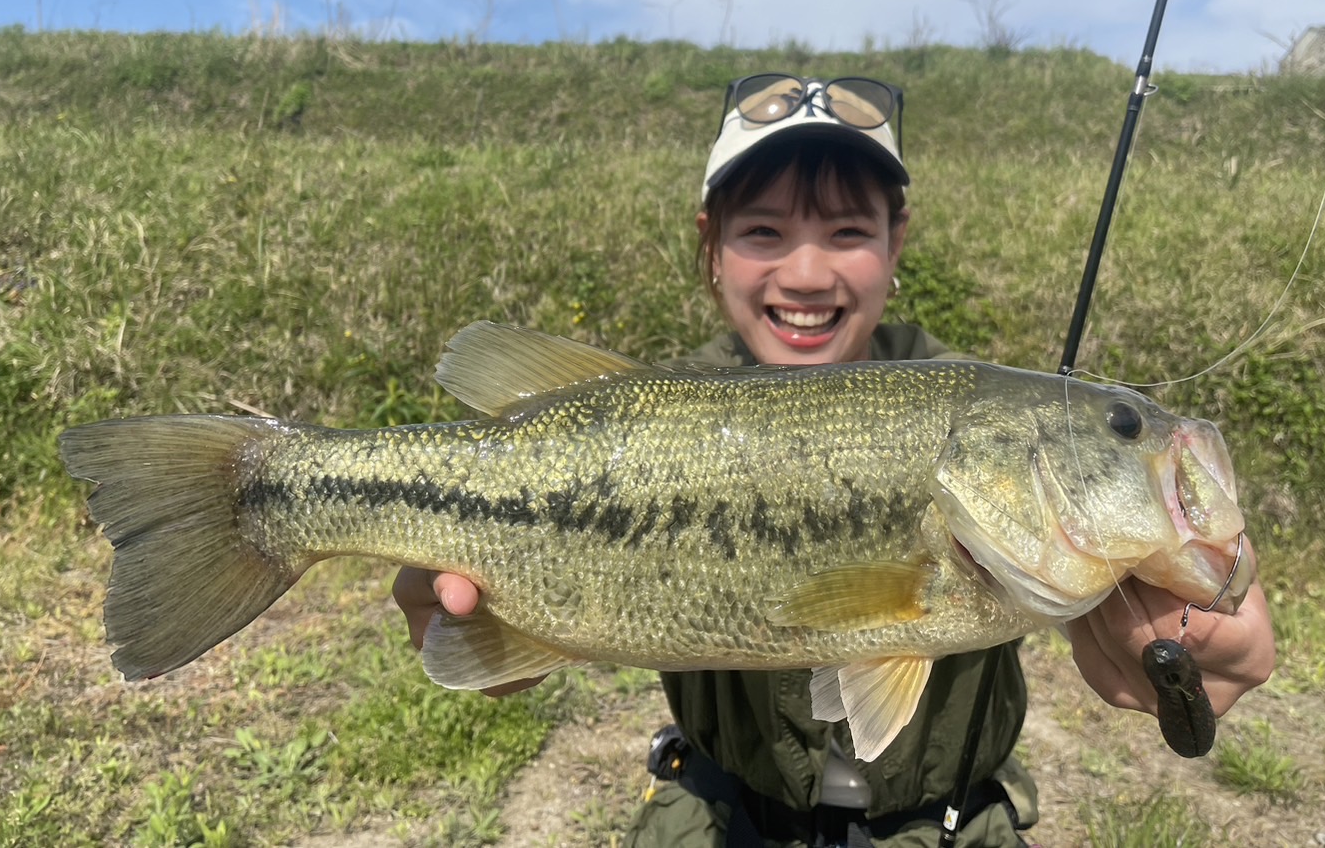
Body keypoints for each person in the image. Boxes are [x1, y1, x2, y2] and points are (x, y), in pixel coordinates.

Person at [393, 74, 1276, 847]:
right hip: (718, 810)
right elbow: (484, 652)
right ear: (711, 245)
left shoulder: (975, 398)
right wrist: (487, 632)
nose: (807, 273)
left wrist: (1205, 601)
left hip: (951, 820)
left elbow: (1193, 593)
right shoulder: (665, 401)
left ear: (896, 239)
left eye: (848, 229)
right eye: (764, 231)